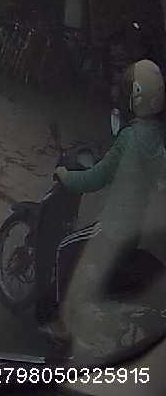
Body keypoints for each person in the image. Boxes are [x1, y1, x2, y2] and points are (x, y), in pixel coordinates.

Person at [45, 59, 165, 349]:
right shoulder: (157, 137)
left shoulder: (129, 138)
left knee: (64, 250)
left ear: (134, 97)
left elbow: (95, 178)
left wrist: (65, 176)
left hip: (114, 228)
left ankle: (62, 326)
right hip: (139, 233)